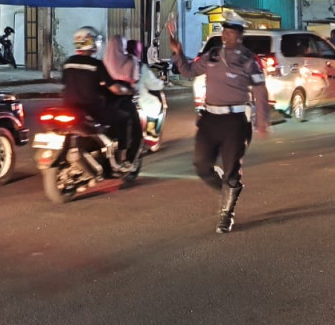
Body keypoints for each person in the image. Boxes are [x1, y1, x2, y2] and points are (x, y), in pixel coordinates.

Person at [167, 17, 268, 234]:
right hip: (210, 119)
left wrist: (262, 121)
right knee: (202, 166)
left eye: (230, 32)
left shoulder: (248, 60)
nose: (225, 35)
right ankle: (229, 187)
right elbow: (189, 71)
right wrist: (178, 52)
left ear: (239, 35)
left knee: (232, 169)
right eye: (224, 31)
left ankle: (226, 213)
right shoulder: (212, 55)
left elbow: (260, 89)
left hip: (235, 121)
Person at [61, 26, 142, 165]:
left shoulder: (68, 63)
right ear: (92, 43)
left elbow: (65, 84)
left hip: (70, 108)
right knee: (124, 118)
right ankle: (121, 157)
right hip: (92, 109)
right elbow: (115, 89)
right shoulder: (96, 65)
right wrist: (129, 91)